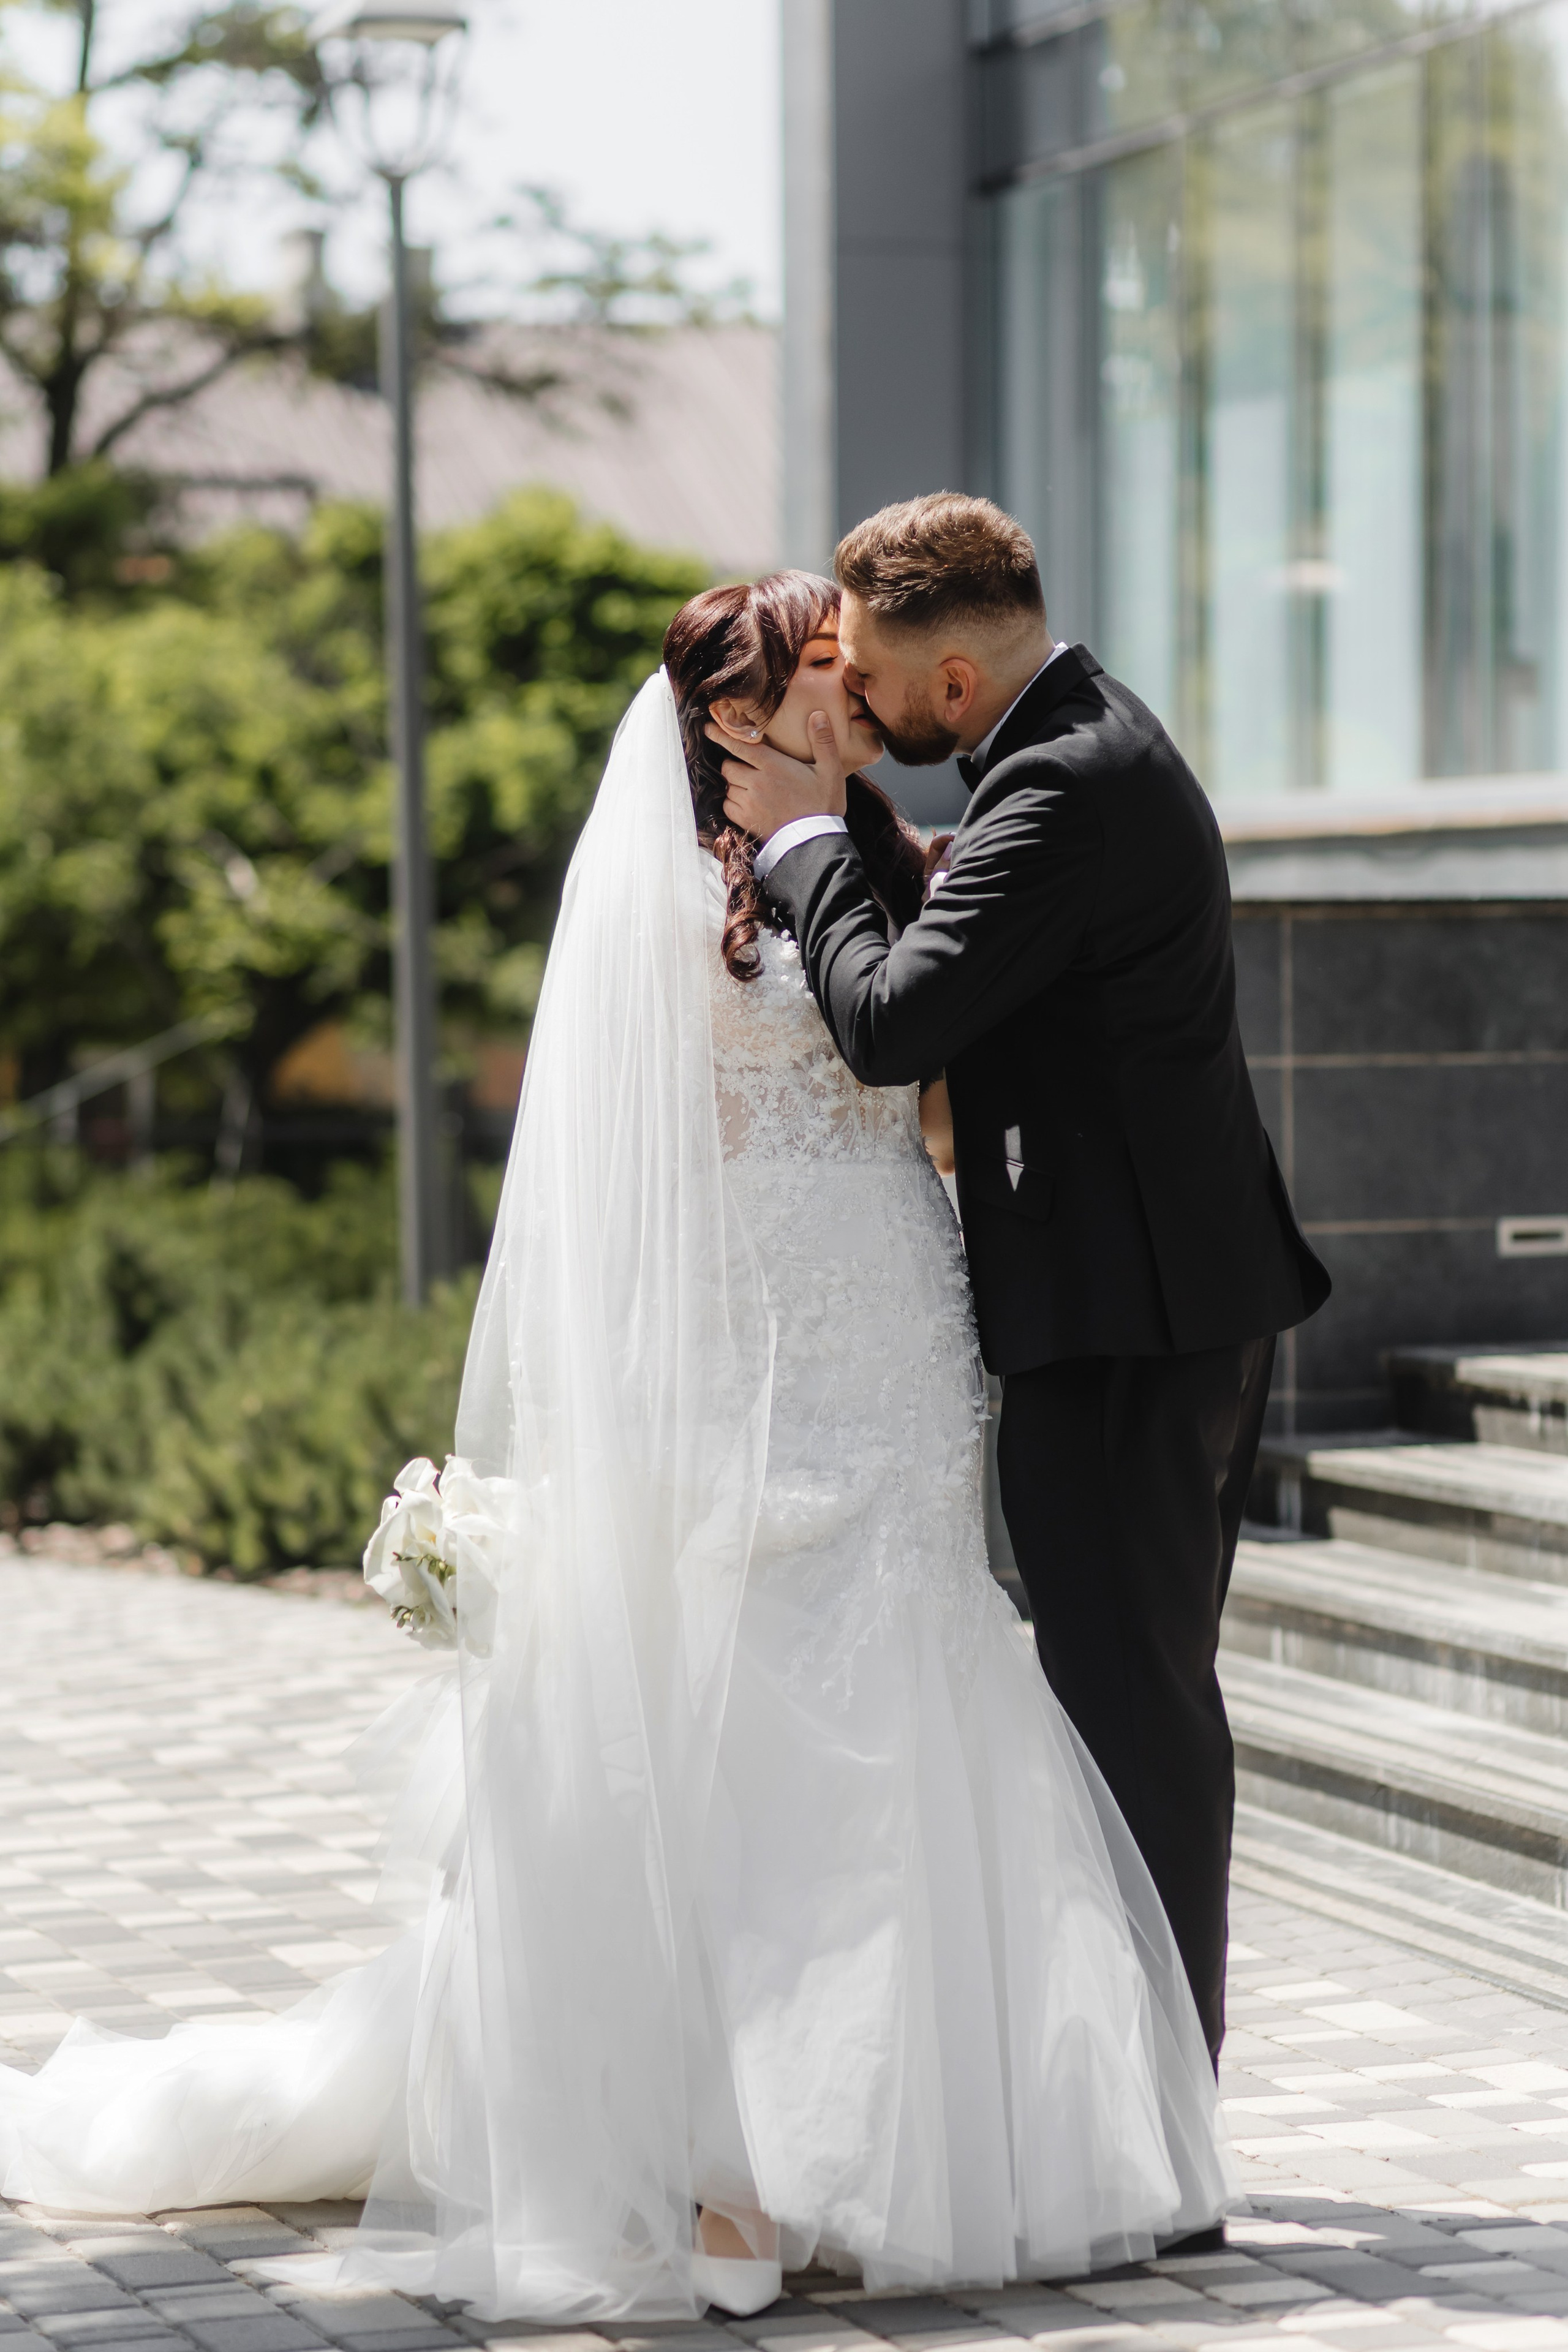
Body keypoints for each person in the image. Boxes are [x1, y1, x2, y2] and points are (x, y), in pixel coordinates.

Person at [0, 576, 1235, 2319]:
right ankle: (733, 2165)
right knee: (764, 1728)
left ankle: (898, 2149)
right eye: (820, 671)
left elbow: (931, 1071)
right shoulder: (665, 914)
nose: (854, 691)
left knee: (914, 1698)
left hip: (907, 1339)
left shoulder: (883, 851)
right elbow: (641, 1193)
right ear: (735, 717)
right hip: (768, 1359)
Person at [715, 498, 1330, 2083]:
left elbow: (895, 1026)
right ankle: (1148, 2089)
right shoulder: (1082, 748)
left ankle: (1160, 2114)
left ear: (962, 680)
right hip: (1156, 1295)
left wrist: (792, 843)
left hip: (1127, 1318)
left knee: (1132, 1709)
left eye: (873, 672)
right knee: (1140, 1697)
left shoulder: (1062, 785)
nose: (859, 698)